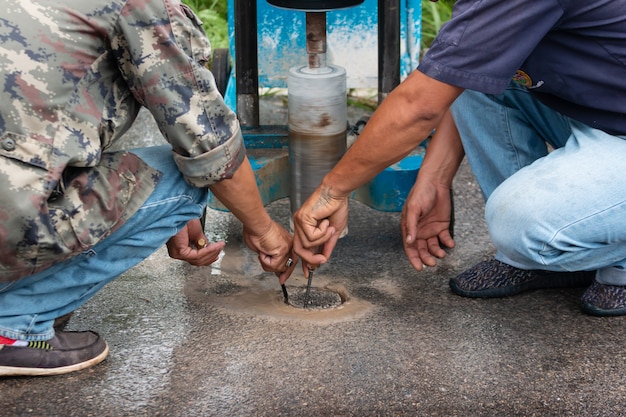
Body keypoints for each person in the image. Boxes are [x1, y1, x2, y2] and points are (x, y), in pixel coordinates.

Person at [0, 0, 297, 377]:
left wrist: (163, 215)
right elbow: (209, 147)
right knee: (179, 179)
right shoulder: (139, 6)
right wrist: (265, 229)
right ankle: (13, 329)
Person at [292, 0, 626, 317]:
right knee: (467, 68)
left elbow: (418, 108)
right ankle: (542, 254)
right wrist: (434, 178)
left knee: (518, 222)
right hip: (603, 113)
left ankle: (582, 246)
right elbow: (459, 72)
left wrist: (332, 191)